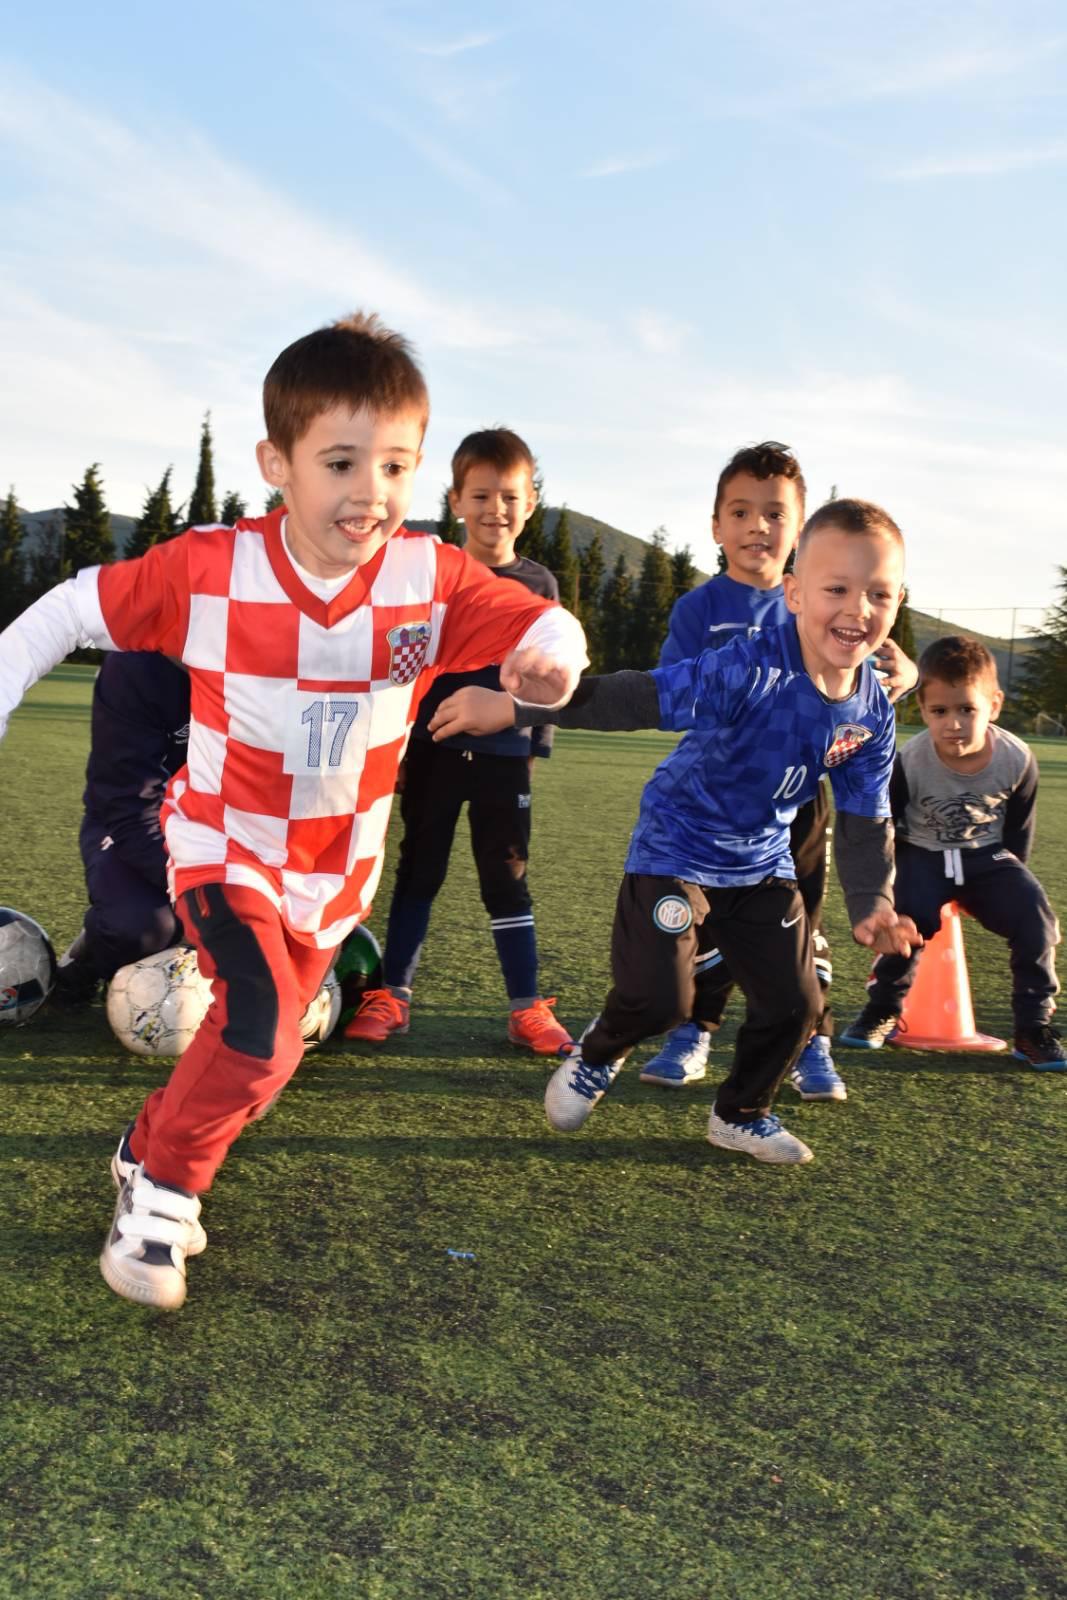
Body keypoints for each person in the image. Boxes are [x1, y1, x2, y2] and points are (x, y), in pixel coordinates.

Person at [0, 312, 587, 1309]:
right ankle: (155, 1207)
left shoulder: (428, 579)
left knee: (260, 1063)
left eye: (396, 465)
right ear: (277, 460)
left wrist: (554, 654)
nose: (371, 492)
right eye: (342, 461)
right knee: (262, 1030)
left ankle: (144, 1148)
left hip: (334, 873)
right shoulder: (210, 568)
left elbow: (536, 619)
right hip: (224, 846)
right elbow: (71, 605)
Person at [429, 498, 921, 1164]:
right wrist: (516, 708)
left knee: (796, 1003)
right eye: (835, 589)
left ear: (897, 603)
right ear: (795, 593)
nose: (855, 609)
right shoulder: (747, 669)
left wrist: (874, 904)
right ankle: (599, 1051)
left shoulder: (871, 709)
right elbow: (635, 696)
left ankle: (740, 1113)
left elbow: (865, 815)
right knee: (661, 1001)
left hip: (760, 867)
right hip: (676, 850)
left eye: (878, 594)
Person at [639, 442, 917, 1101]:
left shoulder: (833, 601)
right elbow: (673, 692)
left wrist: (902, 676)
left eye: (774, 514)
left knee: (800, 925)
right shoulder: (698, 611)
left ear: (798, 532)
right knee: (704, 921)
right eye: (740, 511)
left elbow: (881, 670)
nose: (757, 526)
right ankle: (694, 1030)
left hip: (803, 803)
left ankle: (809, 1043)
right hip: (718, 805)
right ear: (715, 527)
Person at [344, 428, 572, 1056]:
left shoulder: (538, 585)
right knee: (419, 871)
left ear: (529, 505)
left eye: (508, 496)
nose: (494, 509)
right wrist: (389, 749)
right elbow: (402, 664)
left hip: (504, 762)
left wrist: (533, 746)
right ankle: (393, 995)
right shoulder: (430, 573)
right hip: (432, 754)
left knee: (507, 879)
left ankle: (526, 1008)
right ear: (455, 500)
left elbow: (551, 675)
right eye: (481, 495)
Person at [839, 636, 1065, 1068]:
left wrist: (1009, 882)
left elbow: (1018, 831)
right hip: (923, 852)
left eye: (967, 709)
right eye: (939, 711)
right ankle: (884, 1008)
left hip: (987, 857)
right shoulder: (910, 759)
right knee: (908, 915)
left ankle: (1032, 1027)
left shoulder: (1017, 759)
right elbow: (890, 824)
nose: (953, 723)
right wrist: (898, 881)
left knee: (1035, 913)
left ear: (993, 706)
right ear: (921, 710)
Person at [52, 652, 190, 1003]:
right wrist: (198, 893)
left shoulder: (267, 656)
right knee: (142, 928)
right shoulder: (135, 664)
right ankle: (87, 959)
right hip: (136, 823)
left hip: (229, 829)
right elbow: (130, 804)